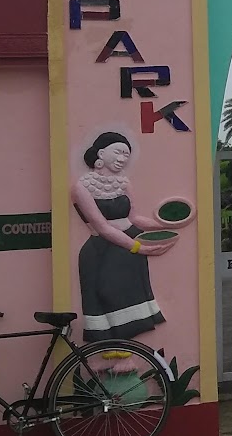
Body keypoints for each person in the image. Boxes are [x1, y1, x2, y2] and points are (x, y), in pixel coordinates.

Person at [70, 132, 182, 343]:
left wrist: (169, 223)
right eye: (118, 152)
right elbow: (102, 227)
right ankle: (109, 350)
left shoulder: (123, 183)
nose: (123, 158)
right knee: (106, 293)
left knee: (128, 296)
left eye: (127, 155)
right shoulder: (81, 187)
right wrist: (138, 247)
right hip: (103, 248)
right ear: (101, 153)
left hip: (129, 246)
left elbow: (135, 218)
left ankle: (124, 352)